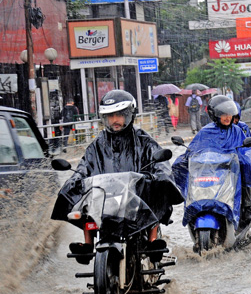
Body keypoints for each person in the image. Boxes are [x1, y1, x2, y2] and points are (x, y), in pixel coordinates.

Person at [51, 90, 184, 231]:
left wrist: (158, 177)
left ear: (130, 115)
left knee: (153, 206)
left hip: (136, 200)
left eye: (119, 115)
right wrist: (76, 179)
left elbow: (160, 163)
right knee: (87, 214)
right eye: (110, 116)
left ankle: (153, 243)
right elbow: (85, 166)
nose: (115, 120)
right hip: (104, 201)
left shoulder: (144, 141)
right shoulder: (97, 144)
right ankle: (87, 246)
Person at [172, 96, 251, 229]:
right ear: (215, 115)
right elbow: (194, 150)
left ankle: (247, 207)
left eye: (229, 114)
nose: (227, 117)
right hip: (212, 171)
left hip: (230, 170)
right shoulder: (205, 132)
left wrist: (240, 158)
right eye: (223, 114)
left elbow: (245, 151)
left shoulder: (237, 131)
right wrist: (185, 159)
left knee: (246, 167)